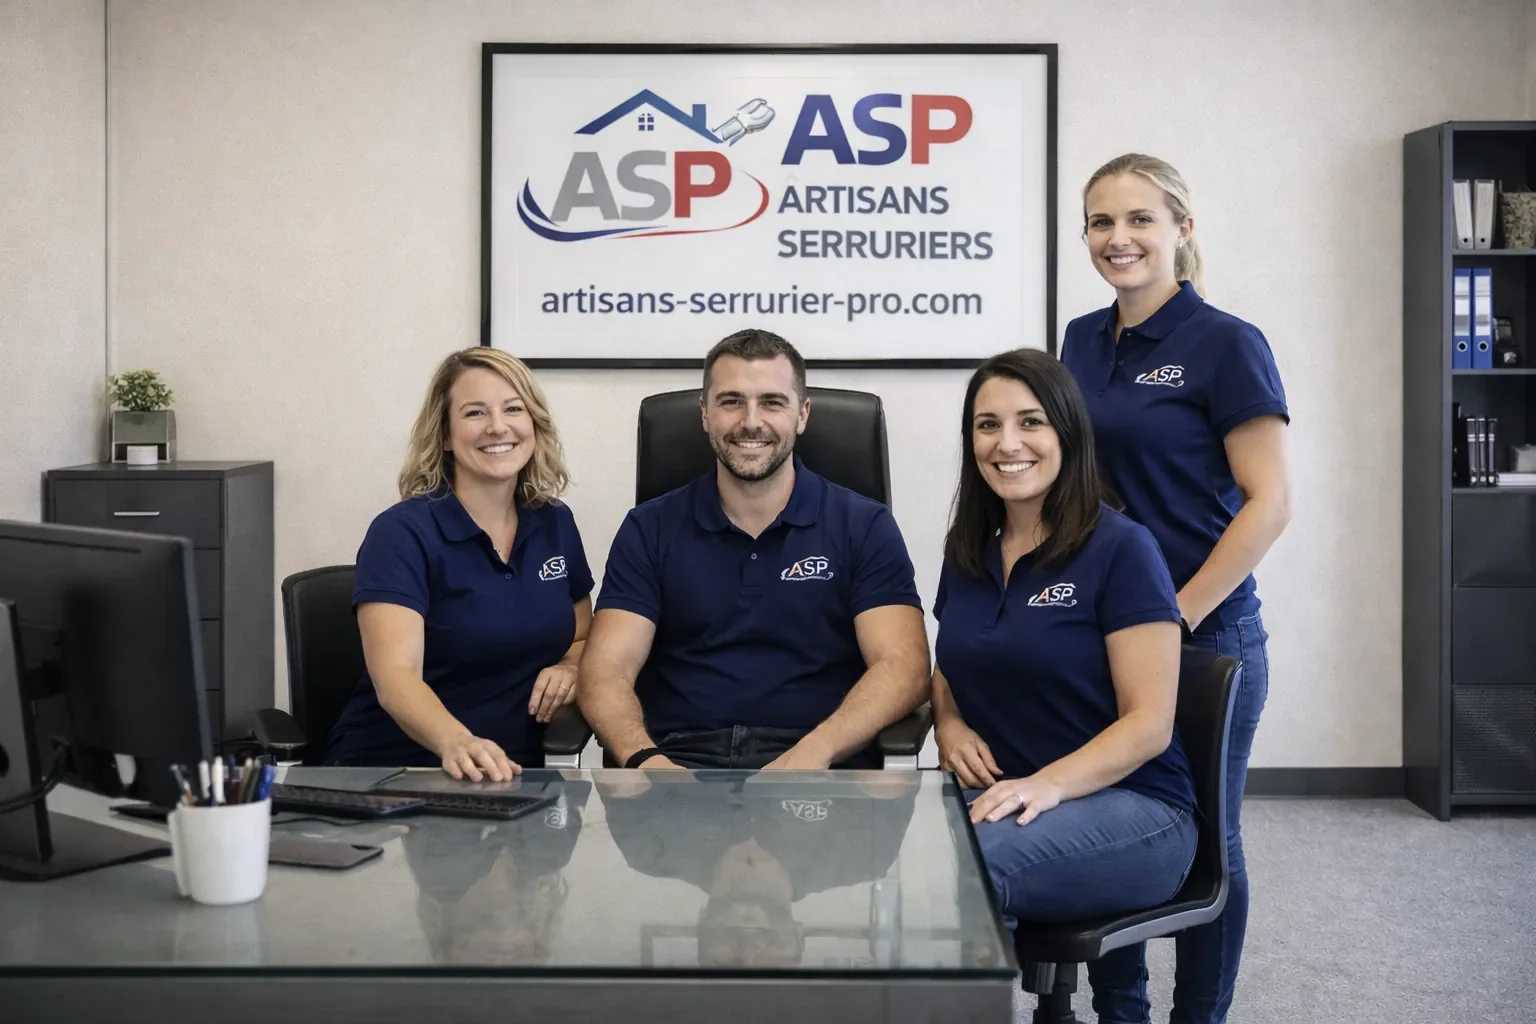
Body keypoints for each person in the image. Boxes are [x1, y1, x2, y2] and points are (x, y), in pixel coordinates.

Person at [1061, 154, 1292, 1023]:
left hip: (1207, 633)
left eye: (1139, 220)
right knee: (1108, 823)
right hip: (1101, 630)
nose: (1117, 238)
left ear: (1181, 229)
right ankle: (1119, 1010)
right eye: (1101, 222)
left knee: (1209, 843)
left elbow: (1270, 502)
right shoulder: (1081, 340)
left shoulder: (1226, 343)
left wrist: (1178, 612)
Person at [931, 348, 1198, 1024]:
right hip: (1010, 798)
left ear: (1068, 434)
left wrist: (1047, 784)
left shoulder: (1122, 548)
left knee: (969, 864)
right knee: (896, 851)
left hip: (1139, 810)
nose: (1007, 443)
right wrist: (950, 724)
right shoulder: (968, 550)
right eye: (988, 425)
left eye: (1031, 422)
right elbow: (951, 663)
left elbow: (1149, 724)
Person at [577, 328, 930, 771]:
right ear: (705, 414)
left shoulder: (864, 526)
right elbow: (606, 669)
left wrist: (813, 753)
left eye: (772, 402)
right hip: (677, 761)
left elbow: (904, 666)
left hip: (820, 763)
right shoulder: (648, 528)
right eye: (731, 401)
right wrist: (645, 760)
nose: (750, 421)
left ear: (802, 414)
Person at [324, 347, 593, 781]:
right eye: (474, 413)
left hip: (513, 775)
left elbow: (581, 634)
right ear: (445, 435)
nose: (498, 426)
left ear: (534, 424)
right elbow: (397, 678)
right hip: (395, 769)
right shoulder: (401, 533)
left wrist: (572, 667)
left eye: (513, 409)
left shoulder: (554, 522)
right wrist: (458, 742)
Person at [597, 771, 917, 967]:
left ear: (700, 929)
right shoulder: (860, 859)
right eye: (772, 966)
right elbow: (890, 778)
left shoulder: (650, 854)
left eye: (724, 964)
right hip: (814, 715)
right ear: (799, 937)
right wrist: (813, 754)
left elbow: (619, 774)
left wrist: (660, 765)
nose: (750, 952)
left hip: (687, 730)